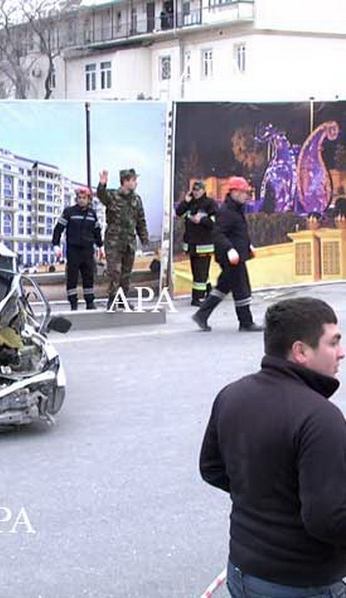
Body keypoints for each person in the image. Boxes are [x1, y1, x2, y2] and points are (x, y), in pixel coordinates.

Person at [200, 297, 346, 597]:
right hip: (301, 583)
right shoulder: (320, 418)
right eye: (333, 343)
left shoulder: (232, 395)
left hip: (242, 571)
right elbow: (328, 519)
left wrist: (267, 498)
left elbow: (212, 469)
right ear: (300, 351)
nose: (342, 353)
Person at [192, 176, 262, 332]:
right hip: (231, 257)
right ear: (234, 192)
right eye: (244, 192)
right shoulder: (226, 211)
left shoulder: (235, 210)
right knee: (241, 288)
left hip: (237, 254)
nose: (246, 196)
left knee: (224, 285)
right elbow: (218, 234)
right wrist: (230, 249)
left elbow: (238, 232)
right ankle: (246, 322)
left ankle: (201, 315)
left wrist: (248, 245)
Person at [96, 168, 149, 310]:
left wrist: (144, 239)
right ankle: (112, 300)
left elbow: (141, 220)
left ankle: (122, 299)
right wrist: (102, 184)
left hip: (129, 242)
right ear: (125, 181)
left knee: (126, 274)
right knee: (115, 272)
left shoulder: (136, 199)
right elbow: (101, 196)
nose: (136, 183)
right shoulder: (113, 195)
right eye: (133, 180)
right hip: (114, 242)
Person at [52, 184, 104, 310]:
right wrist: (56, 245)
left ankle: (90, 302)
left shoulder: (92, 214)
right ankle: (73, 303)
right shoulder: (69, 212)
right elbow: (58, 229)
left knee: (88, 277)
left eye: (84, 197)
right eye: (79, 197)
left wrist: (100, 246)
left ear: (89, 199)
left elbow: (97, 231)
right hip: (73, 250)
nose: (81, 199)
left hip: (87, 250)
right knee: (72, 277)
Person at [176, 181, 217, 306]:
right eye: (194, 190)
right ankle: (209, 290)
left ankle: (197, 298)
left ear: (204, 190)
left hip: (204, 245)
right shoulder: (190, 203)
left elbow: (215, 222)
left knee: (200, 273)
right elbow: (179, 213)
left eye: (198, 190)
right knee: (198, 271)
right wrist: (186, 201)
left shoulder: (209, 203)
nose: (196, 192)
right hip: (192, 244)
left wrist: (202, 219)